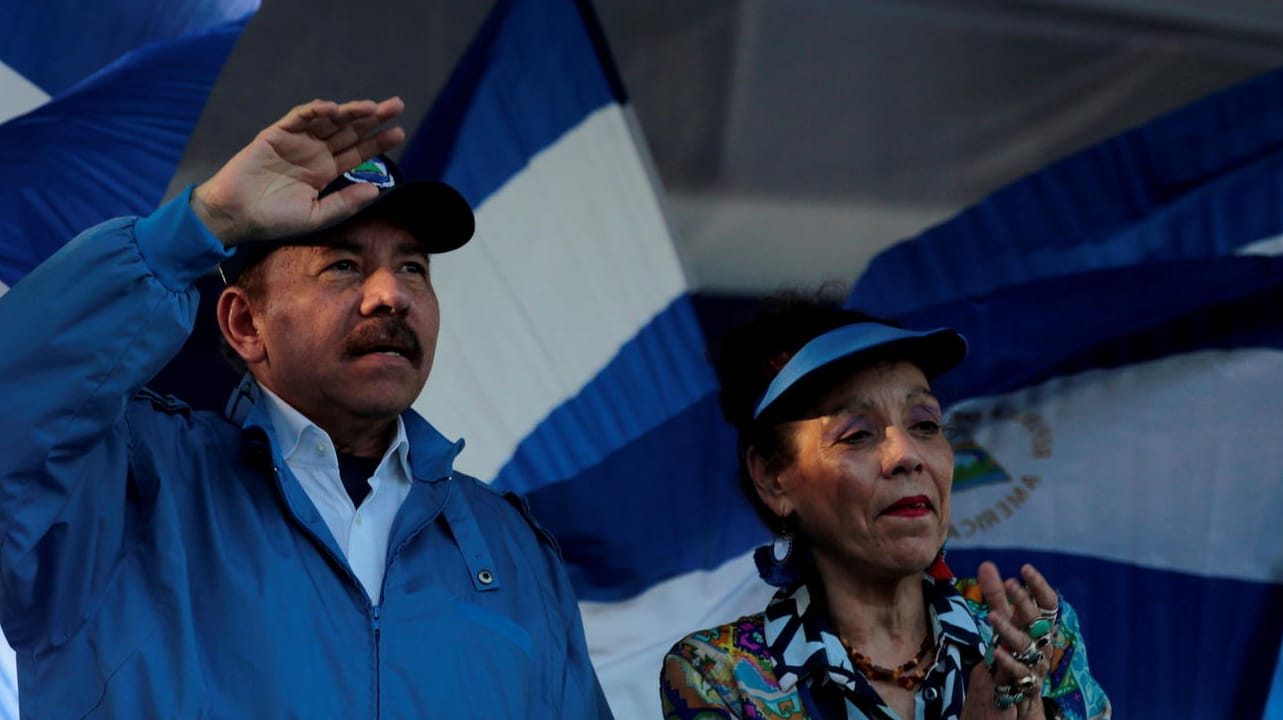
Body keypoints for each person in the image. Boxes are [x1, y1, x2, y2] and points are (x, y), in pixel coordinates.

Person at [0, 97, 613, 718]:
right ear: (245, 323)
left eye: (414, 269)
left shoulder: (512, 548)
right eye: (344, 266)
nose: (391, 295)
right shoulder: (122, 482)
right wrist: (196, 225)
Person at [659, 294, 1110, 719]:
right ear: (773, 478)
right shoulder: (719, 674)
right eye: (856, 434)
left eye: (926, 424)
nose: (906, 455)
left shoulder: (1028, 636)